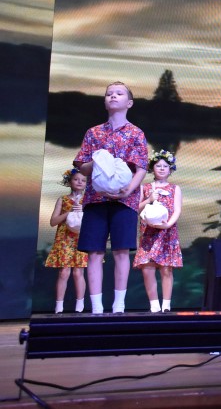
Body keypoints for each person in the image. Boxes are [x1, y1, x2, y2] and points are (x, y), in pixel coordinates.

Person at [74, 81, 148, 314]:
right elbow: (82, 166)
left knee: (121, 251)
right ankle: (96, 307)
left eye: (119, 93)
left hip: (125, 201)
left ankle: (119, 305)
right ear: (105, 102)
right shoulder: (93, 132)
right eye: (109, 94)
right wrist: (96, 162)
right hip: (96, 200)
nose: (113, 96)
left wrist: (129, 190)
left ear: (129, 103)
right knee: (94, 252)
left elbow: (141, 168)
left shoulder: (136, 133)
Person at [134, 149, 183, 312]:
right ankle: (154, 305)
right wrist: (149, 199)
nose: (162, 169)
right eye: (158, 166)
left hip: (167, 232)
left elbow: (177, 210)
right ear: (152, 168)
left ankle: (166, 305)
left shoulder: (175, 188)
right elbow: (136, 208)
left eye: (165, 166)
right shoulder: (145, 188)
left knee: (166, 268)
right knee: (147, 269)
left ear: (170, 169)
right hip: (148, 232)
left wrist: (168, 225)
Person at [45, 168, 88, 313]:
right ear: (69, 182)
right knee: (64, 272)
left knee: (78, 272)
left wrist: (83, 210)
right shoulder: (63, 199)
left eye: (83, 180)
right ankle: (59, 306)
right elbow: (53, 222)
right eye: (76, 179)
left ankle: (80, 305)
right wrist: (69, 212)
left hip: (81, 238)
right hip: (65, 238)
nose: (79, 182)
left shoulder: (88, 200)